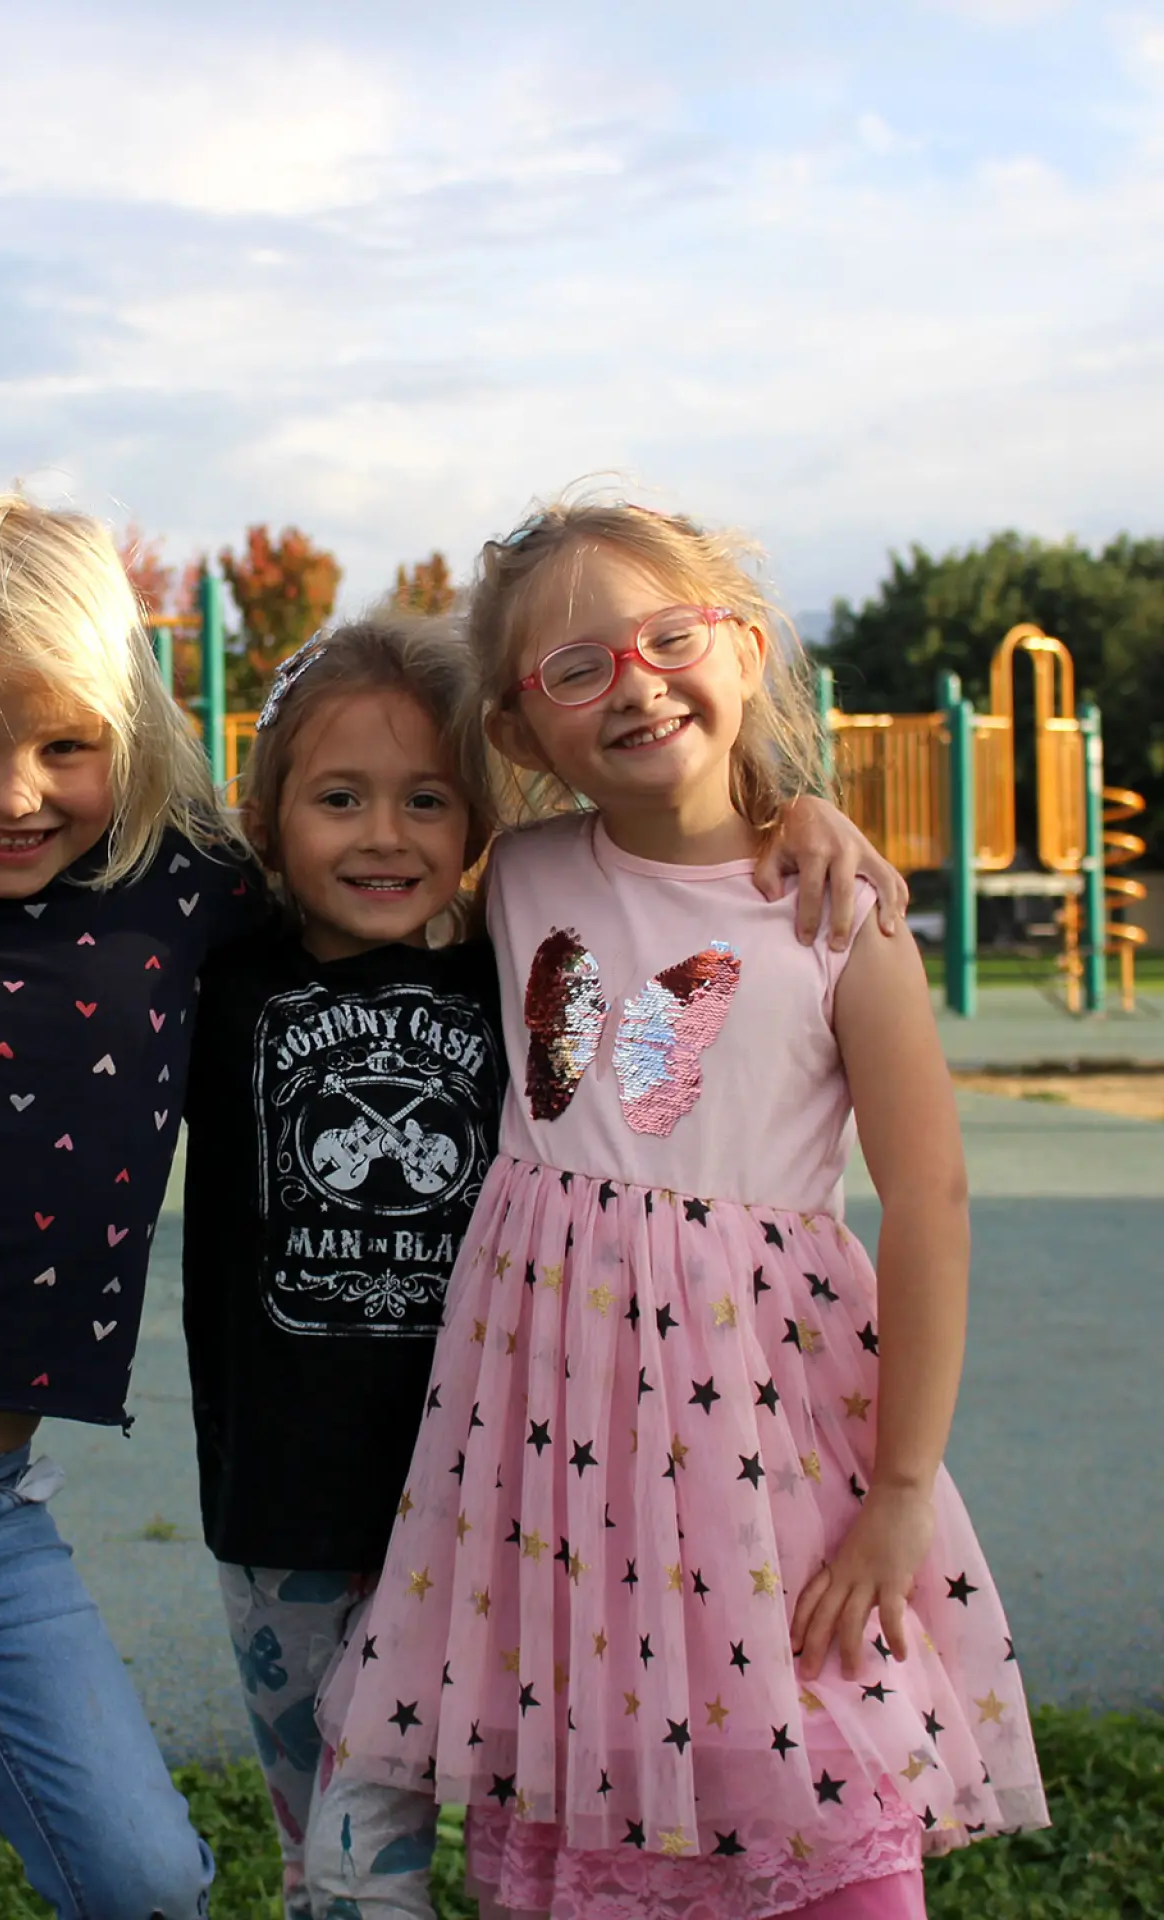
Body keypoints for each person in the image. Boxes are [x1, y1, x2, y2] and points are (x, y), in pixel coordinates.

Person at [0, 491, 905, 1920]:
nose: (14, 793)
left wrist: (792, 809)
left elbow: (406, 842)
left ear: (125, 736)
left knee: (150, 1881)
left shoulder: (184, 894)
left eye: (63, 747)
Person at [317, 500, 1049, 1920]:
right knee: (600, 1721)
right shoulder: (519, 874)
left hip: (763, 1415)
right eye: (577, 669)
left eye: (669, 639)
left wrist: (902, 1491)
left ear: (748, 649)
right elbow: (344, 818)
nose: (637, 683)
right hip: (557, 1439)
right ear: (524, 737)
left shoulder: (839, 917)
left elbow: (932, 1197)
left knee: (803, 1707)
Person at [185, 613, 507, 1920]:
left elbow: (677, 882)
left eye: (426, 799)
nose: (384, 833)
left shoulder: (518, 977)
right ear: (267, 823)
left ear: (478, 823)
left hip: (469, 1502)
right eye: (339, 798)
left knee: (370, 1862)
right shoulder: (219, 977)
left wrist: (804, 826)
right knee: (319, 1837)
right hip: (278, 1506)